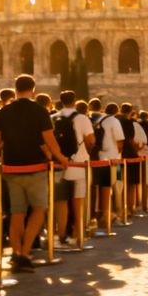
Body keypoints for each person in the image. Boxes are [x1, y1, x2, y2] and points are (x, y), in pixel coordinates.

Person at [0, 75, 69, 272]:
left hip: (12, 167)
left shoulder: (4, 111)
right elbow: (49, 139)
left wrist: (2, 153)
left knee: (16, 212)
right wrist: (61, 157)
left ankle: (17, 252)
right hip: (35, 167)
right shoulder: (39, 111)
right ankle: (25, 251)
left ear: (16, 89)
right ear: (32, 89)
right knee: (39, 209)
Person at [52, 93, 95, 245]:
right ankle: (78, 232)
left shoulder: (54, 117)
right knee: (78, 199)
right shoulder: (82, 118)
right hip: (79, 161)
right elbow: (91, 140)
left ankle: (61, 233)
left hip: (58, 162)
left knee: (61, 200)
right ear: (75, 101)